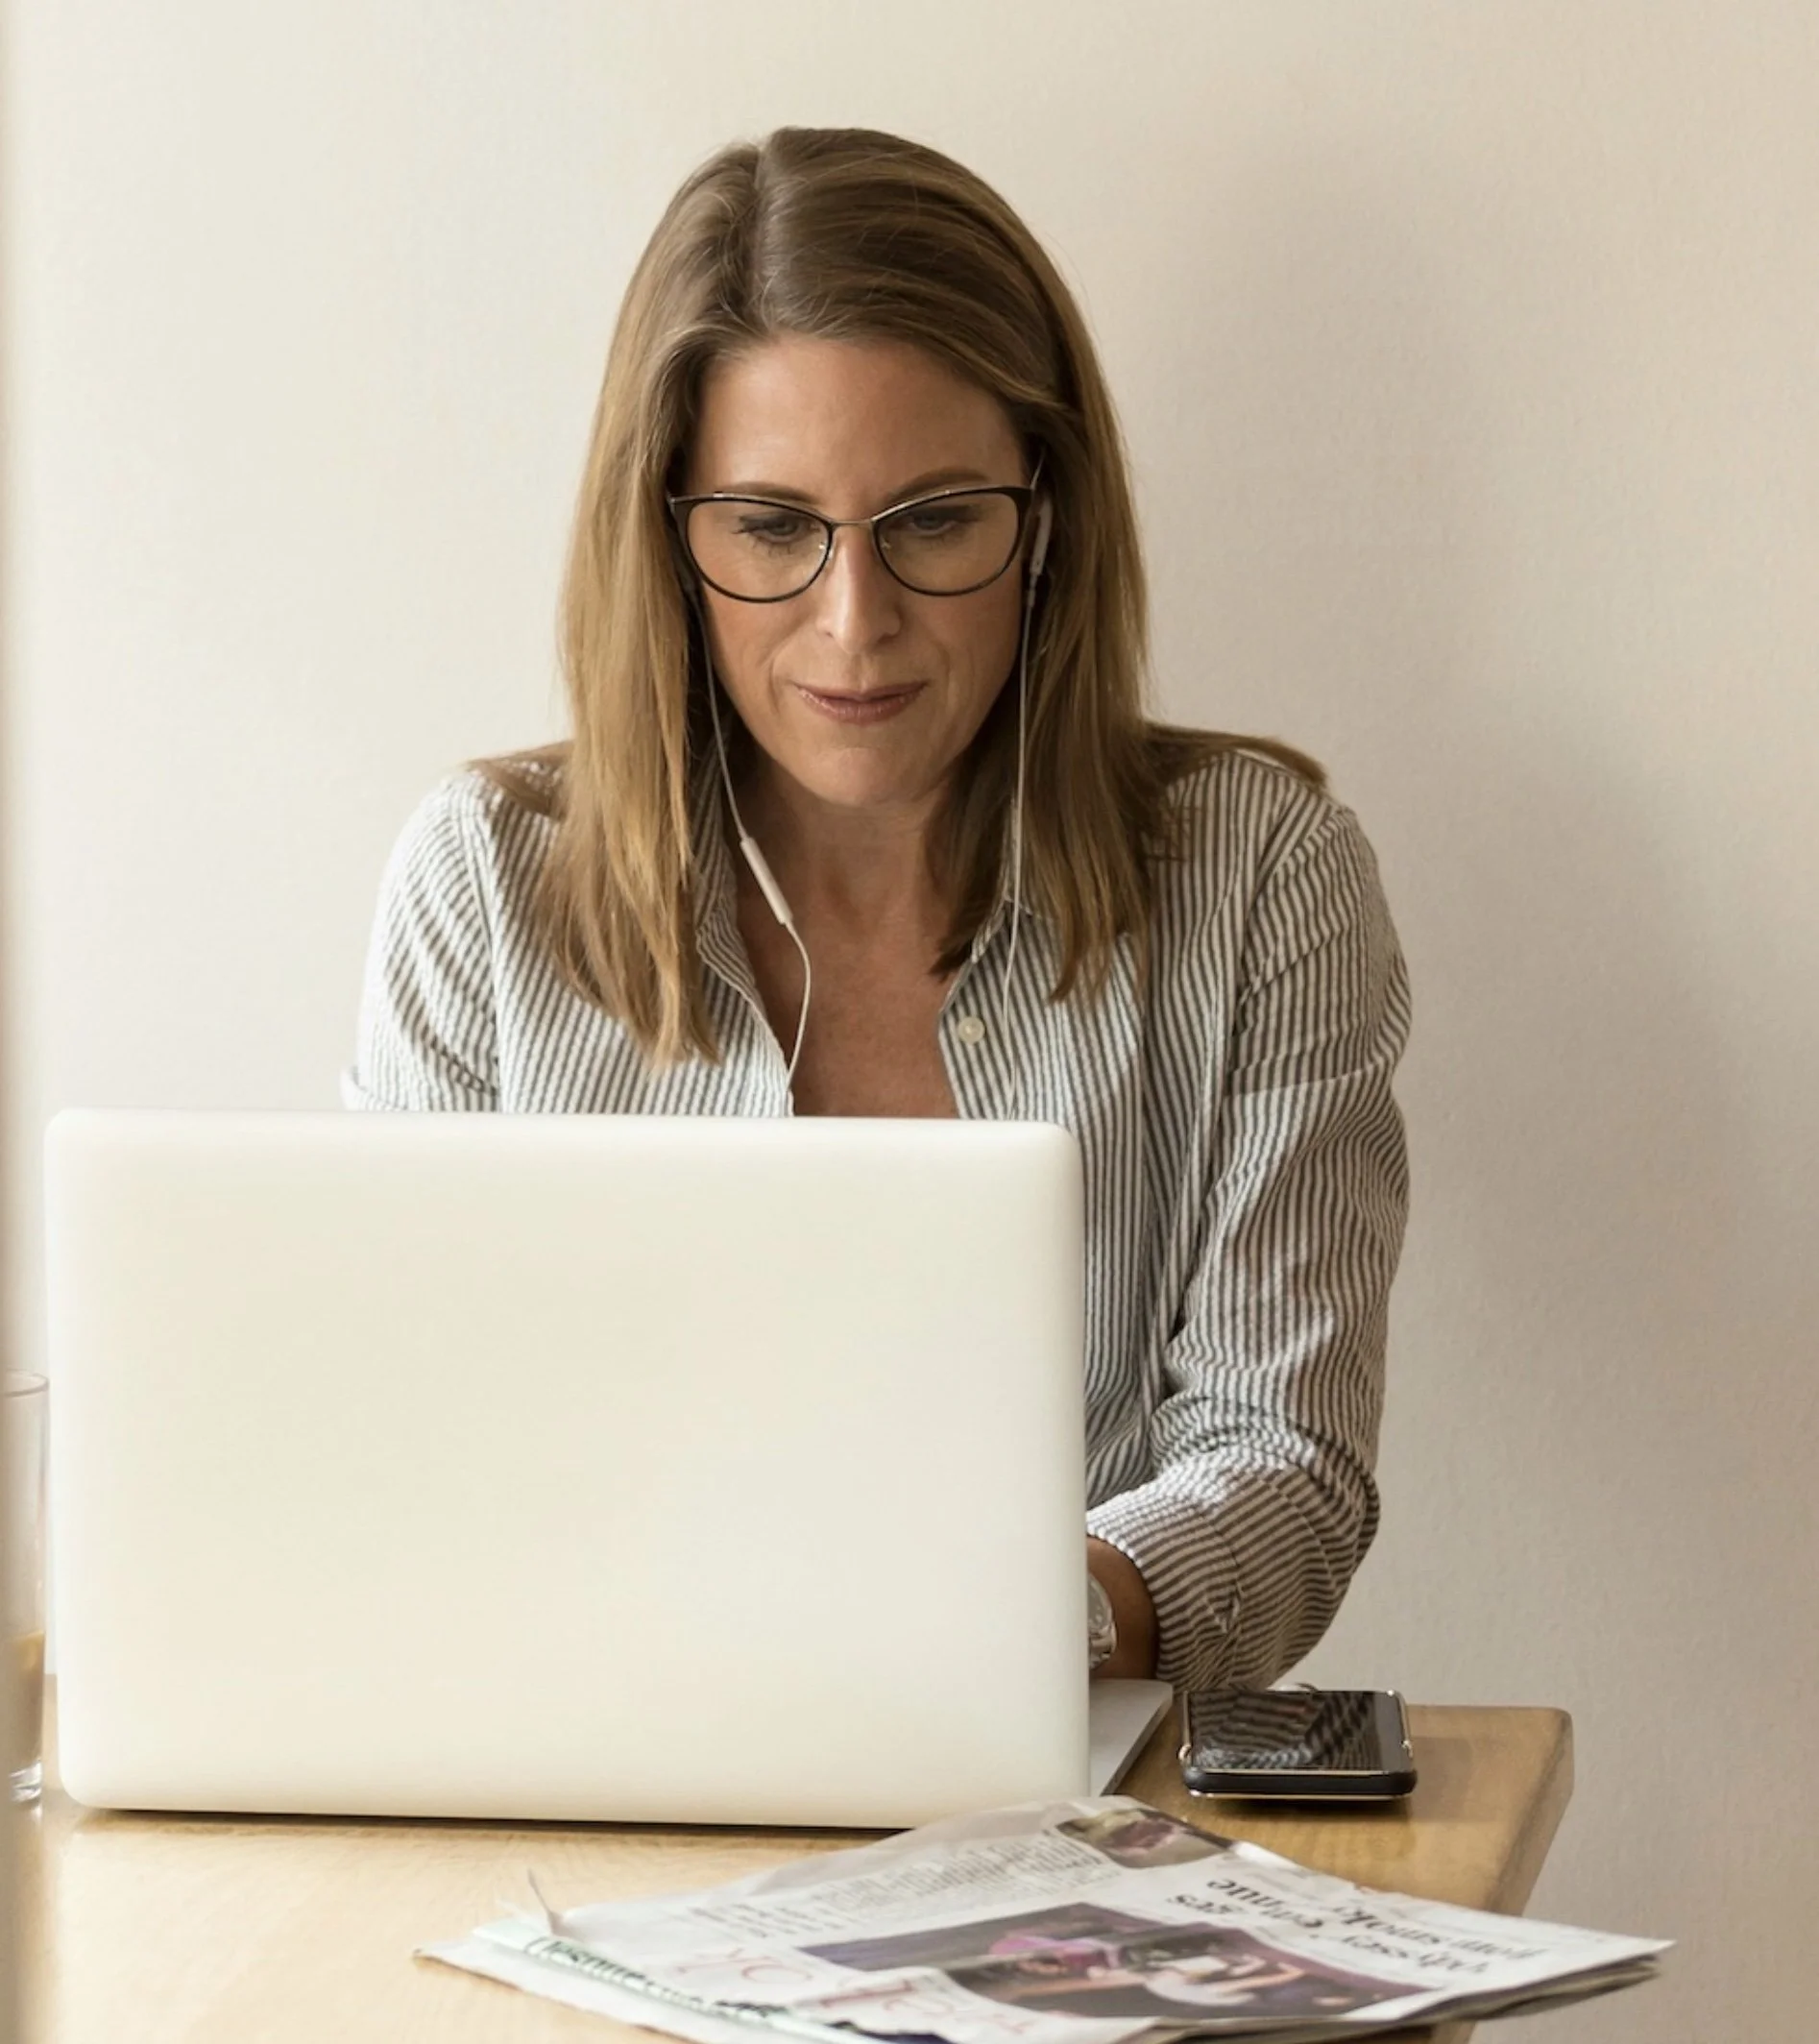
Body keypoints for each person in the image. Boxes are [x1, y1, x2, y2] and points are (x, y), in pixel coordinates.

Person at [346, 126, 1411, 1692]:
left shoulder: (1260, 878)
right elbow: (397, 1449)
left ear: (1043, 518)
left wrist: (984, 1637)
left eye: (931, 521)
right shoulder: (482, 884)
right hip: (576, 1770)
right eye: (772, 528)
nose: (855, 626)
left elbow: (1283, 1466)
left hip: (1064, 1798)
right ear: (669, 538)